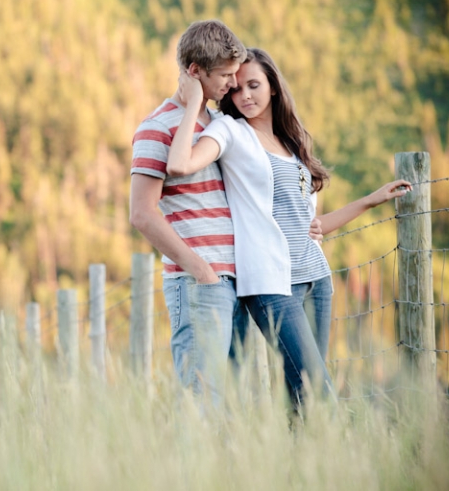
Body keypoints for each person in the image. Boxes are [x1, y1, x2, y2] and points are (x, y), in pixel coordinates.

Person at [167, 47, 411, 405]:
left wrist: (369, 200)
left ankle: (298, 458)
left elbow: (312, 226)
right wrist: (192, 104)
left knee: (303, 397)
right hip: (273, 288)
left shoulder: (293, 144)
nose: (244, 95)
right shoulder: (230, 132)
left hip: (317, 281)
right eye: (235, 88)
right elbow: (179, 164)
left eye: (254, 85)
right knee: (319, 391)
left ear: (274, 87)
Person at [129, 20, 248, 403]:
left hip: (235, 281)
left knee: (231, 405)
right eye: (225, 75)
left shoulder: (219, 124)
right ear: (194, 73)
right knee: (202, 402)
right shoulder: (156, 127)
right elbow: (143, 214)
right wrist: (201, 270)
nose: (233, 83)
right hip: (199, 282)